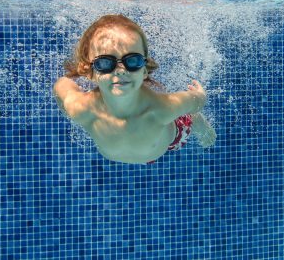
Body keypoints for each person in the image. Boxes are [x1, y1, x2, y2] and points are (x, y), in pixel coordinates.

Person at [53, 14, 217, 164]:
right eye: (105, 63)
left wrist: (199, 95)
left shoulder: (162, 109)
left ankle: (198, 121)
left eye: (132, 61)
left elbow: (196, 102)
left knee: (189, 117)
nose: (120, 70)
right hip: (149, 148)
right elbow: (61, 86)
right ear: (89, 72)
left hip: (171, 140)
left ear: (144, 70)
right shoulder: (81, 108)